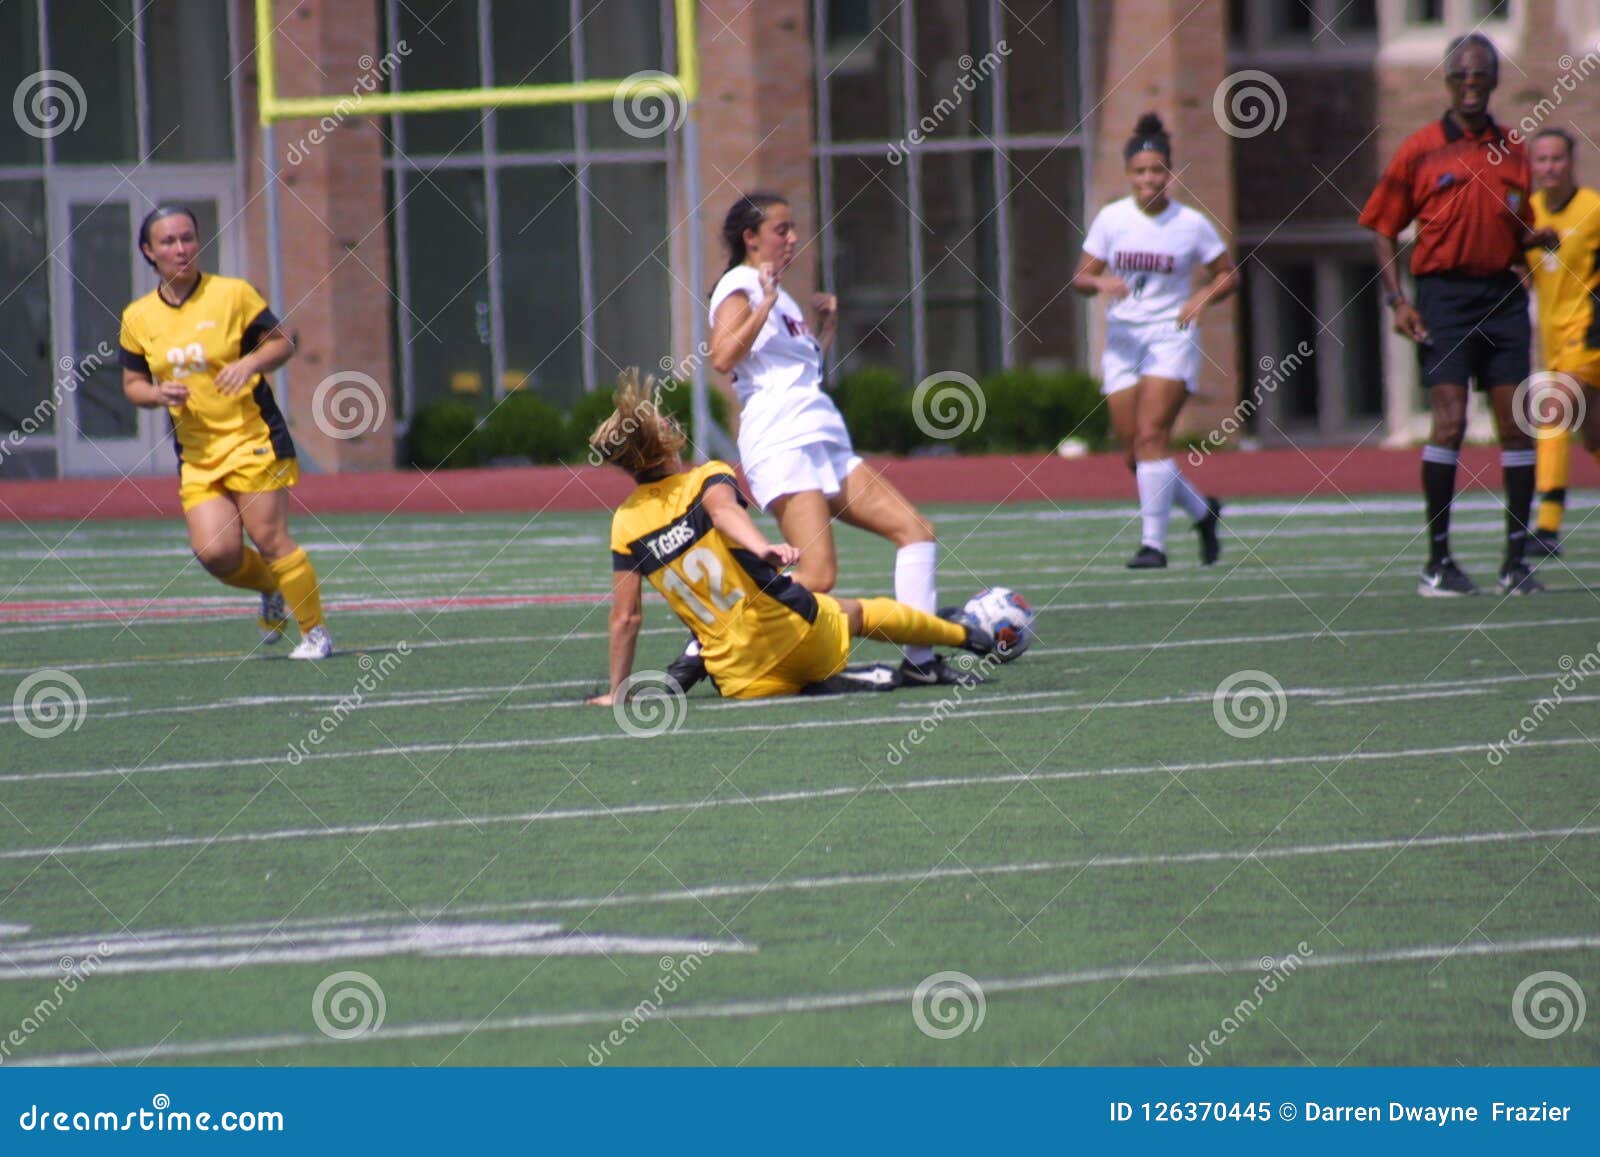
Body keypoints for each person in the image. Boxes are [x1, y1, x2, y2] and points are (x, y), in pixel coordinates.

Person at [584, 371, 1005, 705]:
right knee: (855, 612)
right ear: (665, 443)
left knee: (759, 632)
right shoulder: (706, 476)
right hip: (800, 639)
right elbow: (724, 511)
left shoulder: (625, 523)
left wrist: (617, 691)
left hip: (742, 683)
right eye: (667, 423)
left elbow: (626, 618)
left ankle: (764, 671)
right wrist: (759, 546)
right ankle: (965, 636)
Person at [706, 193, 960, 686]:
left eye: (793, 227)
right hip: (783, 440)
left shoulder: (780, 294)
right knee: (818, 577)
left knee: (916, 532)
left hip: (822, 434)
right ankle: (717, 632)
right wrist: (768, 305)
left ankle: (921, 661)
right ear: (750, 237)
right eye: (781, 229)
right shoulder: (739, 286)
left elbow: (795, 370)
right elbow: (722, 357)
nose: (793, 238)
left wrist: (824, 330)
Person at [1359, 33, 1558, 596]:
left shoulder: (1514, 148)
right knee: (1448, 421)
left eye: (1481, 76)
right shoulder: (1420, 148)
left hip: (1503, 297)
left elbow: (1513, 227)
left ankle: (1515, 563)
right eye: (1461, 76)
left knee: (1517, 426)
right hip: (1442, 298)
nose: (1471, 85)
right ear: (1447, 82)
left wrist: (1533, 238)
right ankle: (1438, 562)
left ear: (1494, 81)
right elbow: (1380, 225)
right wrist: (1397, 300)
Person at [119, 205, 332, 658]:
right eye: (169, 242)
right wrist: (157, 396)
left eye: (188, 238)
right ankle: (274, 586)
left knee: (270, 538)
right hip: (198, 454)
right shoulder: (138, 317)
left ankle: (315, 634)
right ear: (148, 251)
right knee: (215, 553)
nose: (181, 249)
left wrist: (250, 362)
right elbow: (134, 384)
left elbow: (283, 341)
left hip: (252, 438)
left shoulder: (232, 294)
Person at [1071, 113, 1235, 569]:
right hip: (1123, 340)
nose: (1149, 178)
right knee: (1133, 452)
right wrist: (1101, 285)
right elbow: (1082, 277)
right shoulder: (1111, 219)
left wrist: (1203, 295)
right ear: (1129, 175)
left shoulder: (1191, 224)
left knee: (1152, 435)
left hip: (1171, 336)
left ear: (1171, 173)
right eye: (1141, 171)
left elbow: (1228, 274)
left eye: (1158, 170)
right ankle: (1204, 511)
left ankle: (1153, 546)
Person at [1524, 127, 1600, 558]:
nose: (1549, 167)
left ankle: (1547, 527)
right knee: (1593, 433)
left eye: (1557, 159)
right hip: (1553, 340)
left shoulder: (1594, 209)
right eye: (1541, 159)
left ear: (1572, 163)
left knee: (1553, 410)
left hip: (1590, 334)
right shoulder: (1528, 214)